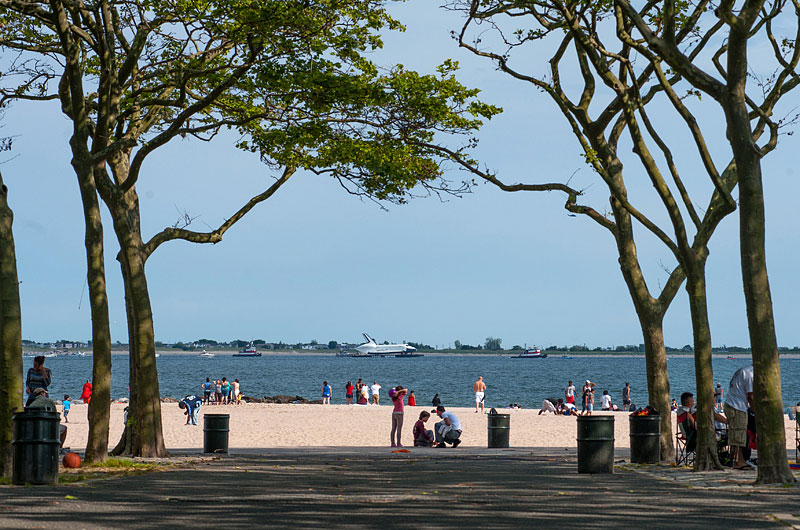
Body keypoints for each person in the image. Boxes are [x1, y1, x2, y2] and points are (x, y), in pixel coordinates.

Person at [725, 364, 754, 470]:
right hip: (737, 406)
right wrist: (755, 412)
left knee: (737, 433)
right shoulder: (750, 374)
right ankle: (738, 461)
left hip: (733, 404)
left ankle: (737, 459)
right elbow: (751, 396)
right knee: (739, 434)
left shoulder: (745, 370)